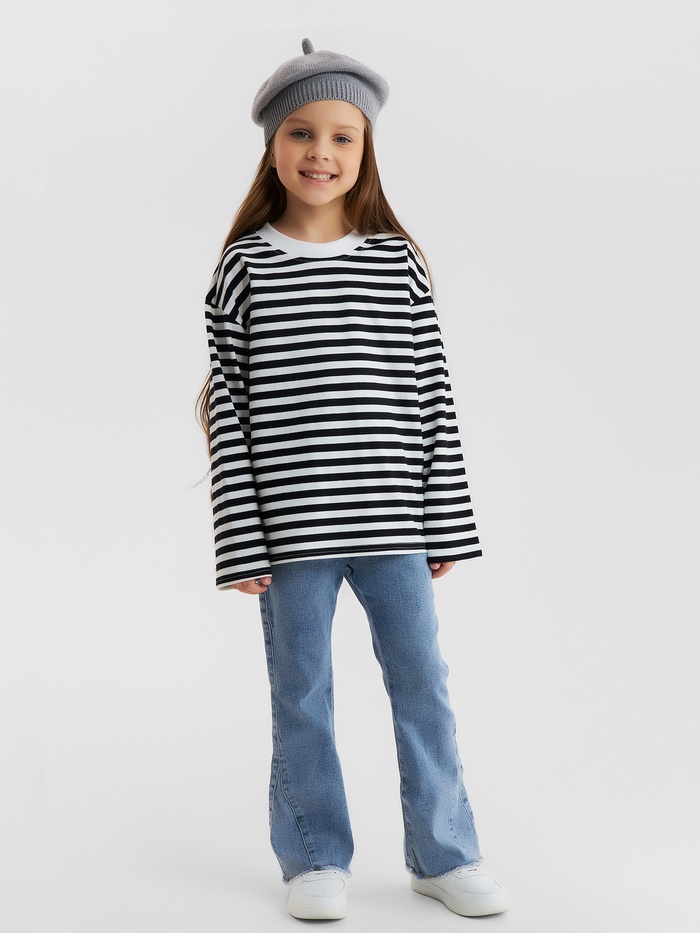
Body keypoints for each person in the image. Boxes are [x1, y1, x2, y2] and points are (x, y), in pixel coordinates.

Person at [197, 37, 510, 921]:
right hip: (291, 533)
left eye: (343, 136)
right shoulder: (244, 269)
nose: (321, 153)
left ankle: (444, 851)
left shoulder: (394, 261)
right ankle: (313, 854)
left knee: (422, 684)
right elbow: (231, 412)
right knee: (301, 692)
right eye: (301, 133)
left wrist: (445, 521)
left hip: (395, 527)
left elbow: (432, 397)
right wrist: (241, 539)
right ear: (272, 145)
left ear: (365, 149)